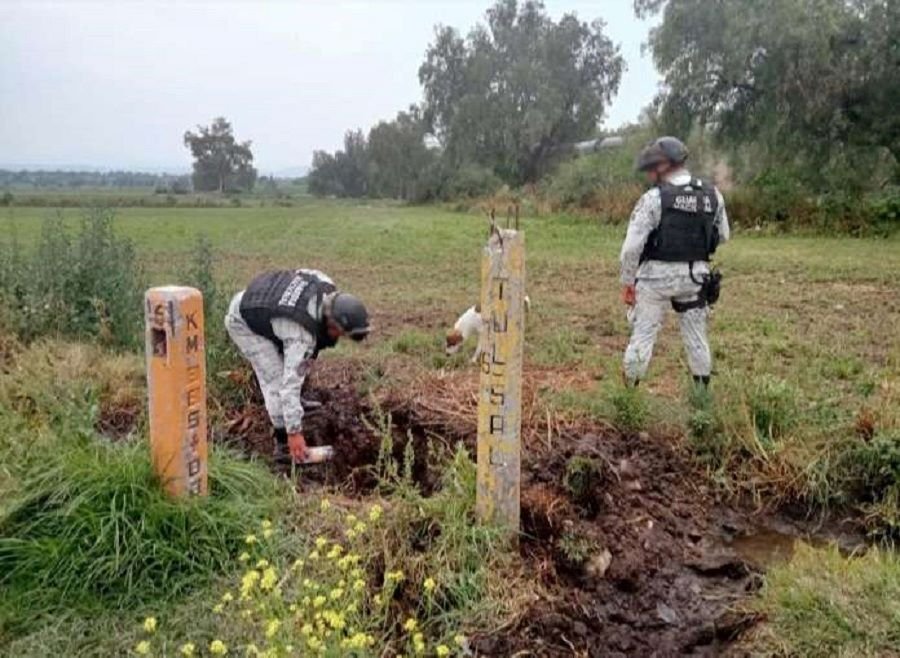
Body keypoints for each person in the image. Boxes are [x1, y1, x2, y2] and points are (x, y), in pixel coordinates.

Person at [224, 269, 370, 462]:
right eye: (341, 334)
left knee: (293, 365)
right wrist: (294, 432)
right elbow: (288, 386)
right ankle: (283, 444)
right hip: (244, 322)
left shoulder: (325, 285)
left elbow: (301, 274)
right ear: (333, 324)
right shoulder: (301, 336)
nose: (341, 339)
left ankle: (294, 409)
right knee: (275, 380)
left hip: (269, 310)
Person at [619, 136, 730, 388]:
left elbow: (631, 249)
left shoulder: (653, 199)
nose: (649, 175)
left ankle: (628, 400)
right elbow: (723, 235)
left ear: (663, 166)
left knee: (643, 336)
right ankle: (701, 400)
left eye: (650, 169)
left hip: (654, 280)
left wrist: (628, 282)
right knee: (696, 338)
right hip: (695, 278)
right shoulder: (713, 195)